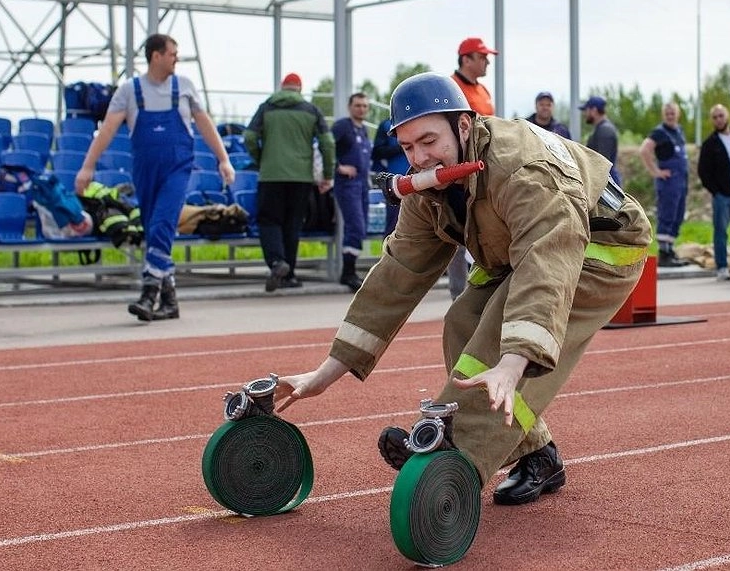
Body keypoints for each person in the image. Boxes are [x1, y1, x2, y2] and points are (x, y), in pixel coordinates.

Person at [273, 72, 651, 507]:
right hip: (513, 250)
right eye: (408, 147)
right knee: (461, 320)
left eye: (429, 141)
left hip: (599, 247)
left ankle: (453, 458)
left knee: (499, 331)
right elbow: (396, 276)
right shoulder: (427, 187)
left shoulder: (521, 170)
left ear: (464, 126)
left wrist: (513, 362)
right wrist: (323, 374)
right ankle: (537, 455)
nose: (420, 159)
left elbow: (547, 263)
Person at [76, 33, 235, 321]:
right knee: (154, 231)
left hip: (178, 169)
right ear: (156, 56)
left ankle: (149, 293)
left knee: (163, 223)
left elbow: (205, 124)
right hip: (145, 171)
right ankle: (170, 300)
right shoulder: (129, 90)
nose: (176, 58)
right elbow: (107, 130)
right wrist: (88, 167)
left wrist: (223, 159)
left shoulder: (184, 87)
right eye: (172, 53)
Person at [245, 73, 336, 292]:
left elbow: (249, 136)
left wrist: (261, 158)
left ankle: (277, 262)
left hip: (271, 174)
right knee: (293, 224)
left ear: (282, 87)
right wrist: (327, 173)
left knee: (269, 221)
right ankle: (289, 276)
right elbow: (328, 143)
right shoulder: (311, 110)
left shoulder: (266, 107)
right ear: (300, 88)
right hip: (301, 177)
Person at [448, 37, 499, 300]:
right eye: (482, 57)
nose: (487, 62)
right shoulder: (450, 87)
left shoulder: (483, 91)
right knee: (458, 233)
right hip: (458, 173)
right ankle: (459, 295)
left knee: (485, 229)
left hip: (483, 169)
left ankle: (482, 293)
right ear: (466, 59)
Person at [696, 104, 730, 281]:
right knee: (720, 232)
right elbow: (703, 172)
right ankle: (722, 267)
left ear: (727, 116)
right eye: (715, 117)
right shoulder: (710, 144)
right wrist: (716, 191)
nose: (719, 120)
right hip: (722, 196)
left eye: (721, 116)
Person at [332, 92, 373, 292]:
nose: (361, 109)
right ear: (350, 107)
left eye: (365, 106)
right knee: (355, 226)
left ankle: (350, 270)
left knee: (361, 227)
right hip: (347, 184)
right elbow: (325, 148)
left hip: (362, 184)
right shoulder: (342, 126)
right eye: (357, 105)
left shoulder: (364, 130)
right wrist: (338, 167)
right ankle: (347, 272)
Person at [640, 102, 690, 267]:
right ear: (663, 115)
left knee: (678, 214)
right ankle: (664, 253)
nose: (670, 116)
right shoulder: (660, 132)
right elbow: (644, 150)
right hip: (669, 182)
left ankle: (670, 249)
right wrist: (655, 171)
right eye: (667, 113)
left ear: (678, 114)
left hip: (681, 181)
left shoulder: (679, 130)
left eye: (673, 113)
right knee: (667, 214)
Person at [371, 116, 410, 236]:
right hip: (395, 184)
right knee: (394, 224)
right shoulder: (387, 125)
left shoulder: (422, 120)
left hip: (422, 181)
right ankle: (389, 248)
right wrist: (401, 147)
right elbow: (377, 152)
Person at [582, 95, 620, 184]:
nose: (584, 114)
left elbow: (602, 162)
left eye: (586, 110)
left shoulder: (605, 130)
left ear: (594, 110)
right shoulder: (601, 128)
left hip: (606, 184)